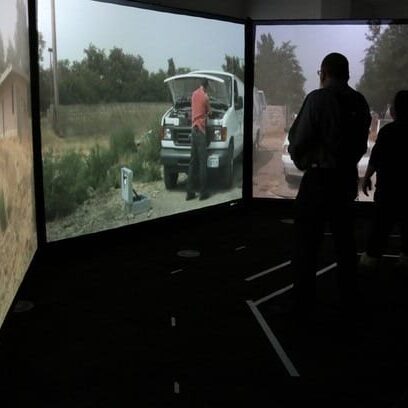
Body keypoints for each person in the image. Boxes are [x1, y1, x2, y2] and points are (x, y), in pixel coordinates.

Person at [288, 52, 371, 315]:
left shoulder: (317, 99)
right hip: (345, 180)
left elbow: (298, 140)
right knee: (345, 243)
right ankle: (349, 300)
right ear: (346, 74)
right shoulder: (360, 101)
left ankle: (303, 305)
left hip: (319, 181)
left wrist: (302, 159)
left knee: (306, 244)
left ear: (324, 73)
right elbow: (359, 145)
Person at [360, 90, 408, 270]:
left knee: (380, 228)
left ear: (395, 111)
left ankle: (370, 262)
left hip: (388, 191)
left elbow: (376, 158)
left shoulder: (388, 131)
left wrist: (366, 178)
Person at [186, 78, 211, 201]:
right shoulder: (205, 96)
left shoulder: (194, 94)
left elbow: (195, 108)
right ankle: (203, 192)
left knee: (192, 162)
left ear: (200, 85)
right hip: (201, 131)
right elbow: (209, 112)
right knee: (202, 162)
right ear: (206, 86)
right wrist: (207, 113)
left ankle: (189, 193)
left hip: (193, 130)